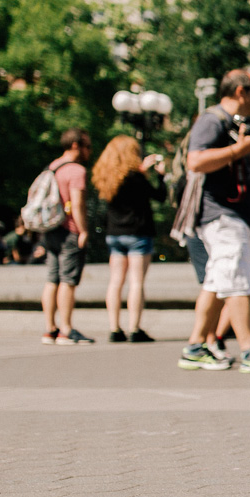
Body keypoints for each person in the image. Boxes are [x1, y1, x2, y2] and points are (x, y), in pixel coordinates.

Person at [177, 68, 250, 374]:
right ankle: (249, 350)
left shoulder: (245, 124)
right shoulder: (213, 120)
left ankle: (195, 347)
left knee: (216, 281)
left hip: (243, 217)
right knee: (237, 280)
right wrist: (239, 149)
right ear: (241, 92)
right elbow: (195, 161)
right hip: (221, 214)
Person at [92, 135, 163, 342]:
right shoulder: (136, 178)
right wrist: (158, 175)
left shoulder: (106, 177)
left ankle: (114, 328)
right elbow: (158, 196)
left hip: (114, 234)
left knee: (115, 282)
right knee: (136, 282)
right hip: (138, 234)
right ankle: (134, 328)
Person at [35, 129, 95, 345]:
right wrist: (83, 230)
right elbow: (77, 203)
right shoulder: (76, 170)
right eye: (87, 146)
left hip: (50, 229)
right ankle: (66, 330)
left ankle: (50, 329)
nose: (90, 151)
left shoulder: (52, 167)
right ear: (76, 145)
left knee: (52, 279)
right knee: (68, 281)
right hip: (69, 230)